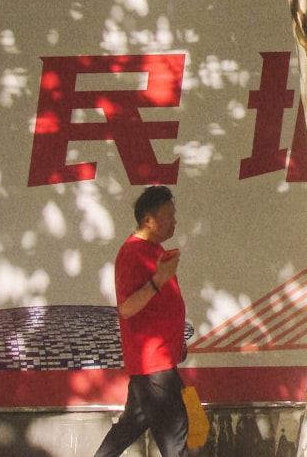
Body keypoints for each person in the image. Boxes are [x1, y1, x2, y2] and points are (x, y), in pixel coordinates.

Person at [93, 185, 189, 457]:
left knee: (132, 424)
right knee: (179, 435)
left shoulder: (152, 249)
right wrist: (158, 280)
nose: (174, 221)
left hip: (155, 363)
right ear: (148, 220)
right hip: (153, 365)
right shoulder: (132, 254)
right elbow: (127, 308)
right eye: (168, 215)